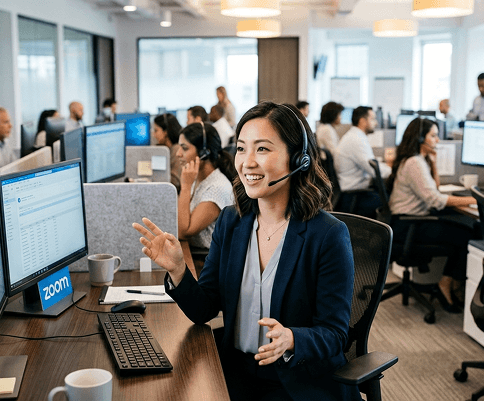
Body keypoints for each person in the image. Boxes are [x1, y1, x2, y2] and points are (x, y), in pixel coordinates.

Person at [133, 102, 358, 401]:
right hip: (235, 371)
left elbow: (335, 334)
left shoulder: (327, 235)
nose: (247, 162)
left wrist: (292, 338)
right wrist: (177, 270)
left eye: (262, 149)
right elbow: (204, 309)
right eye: (241, 148)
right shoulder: (232, 221)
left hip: (296, 381)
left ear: (298, 159)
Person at [387, 117, 476, 311]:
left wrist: (434, 164)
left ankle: (451, 283)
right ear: (421, 138)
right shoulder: (414, 163)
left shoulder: (417, 160)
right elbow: (435, 200)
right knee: (467, 235)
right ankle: (447, 284)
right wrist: (475, 200)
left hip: (408, 222)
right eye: (434, 136)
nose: (438, 140)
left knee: (464, 227)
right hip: (409, 226)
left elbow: (433, 189)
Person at [176, 122, 236, 249]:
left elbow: (182, 232)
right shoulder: (198, 178)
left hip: (204, 260)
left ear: (204, 153)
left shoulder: (216, 189)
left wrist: (186, 187)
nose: (178, 154)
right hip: (192, 252)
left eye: (184, 148)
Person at [333, 106, 391, 218]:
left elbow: (371, 163)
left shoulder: (355, 136)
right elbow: (375, 171)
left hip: (353, 192)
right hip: (354, 196)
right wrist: (394, 170)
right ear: (363, 121)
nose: (376, 123)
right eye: (373, 119)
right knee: (391, 201)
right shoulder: (357, 140)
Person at [153, 113, 183, 193]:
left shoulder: (176, 150)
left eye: (156, 130)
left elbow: (175, 182)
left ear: (165, 132)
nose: (154, 135)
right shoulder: (167, 148)